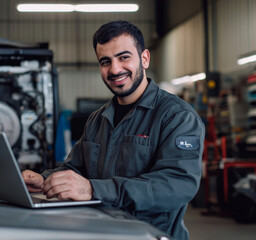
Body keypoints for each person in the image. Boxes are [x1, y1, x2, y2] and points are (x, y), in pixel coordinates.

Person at [22, 20, 205, 240]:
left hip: (150, 235)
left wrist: (94, 189)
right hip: (100, 233)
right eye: (105, 61)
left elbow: (177, 185)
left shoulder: (177, 116)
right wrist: (45, 181)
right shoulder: (97, 119)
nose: (115, 69)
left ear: (144, 58)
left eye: (124, 57)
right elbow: (76, 169)